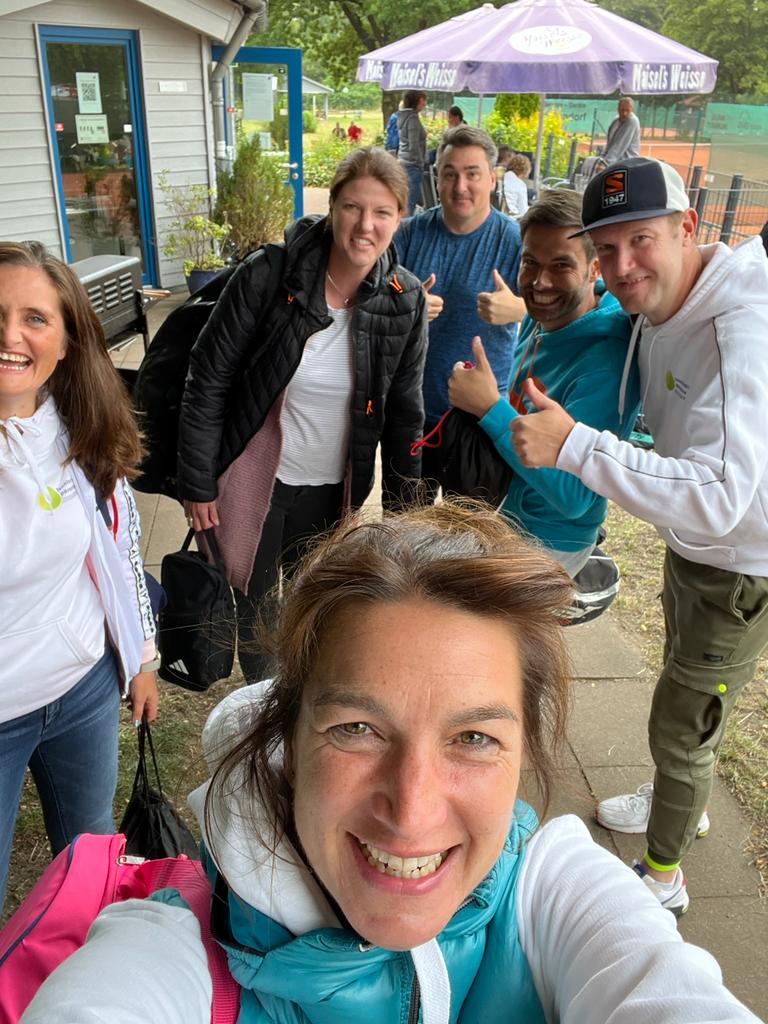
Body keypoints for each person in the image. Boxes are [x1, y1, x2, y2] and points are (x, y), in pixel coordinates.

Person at [20, 502, 761, 1024]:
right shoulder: (169, 949)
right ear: (287, 736)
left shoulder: (556, 898)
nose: (412, 808)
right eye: (358, 729)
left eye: (474, 738)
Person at [511, 156, 768, 916]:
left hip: (740, 561)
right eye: (607, 248)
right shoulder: (663, 301)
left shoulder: (736, 327)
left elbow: (723, 496)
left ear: (688, 227)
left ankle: (663, 880)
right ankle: (682, 799)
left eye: (642, 241)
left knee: (681, 722)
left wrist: (575, 445)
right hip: (695, 547)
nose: (623, 267)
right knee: (684, 693)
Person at [177, 146, 427, 685]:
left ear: (400, 218)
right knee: (258, 609)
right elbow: (208, 376)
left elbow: (405, 416)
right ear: (331, 207)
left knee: (315, 603)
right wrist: (197, 482)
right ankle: (267, 703)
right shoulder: (270, 273)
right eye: (353, 207)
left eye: (382, 212)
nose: (365, 225)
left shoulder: (403, 300)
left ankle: (301, 699)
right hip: (255, 479)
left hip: (332, 489)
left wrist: (406, 520)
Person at [0, 241, 159, 910]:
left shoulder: (79, 428)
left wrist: (141, 658)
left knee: (90, 857)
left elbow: (120, 551)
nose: (11, 336)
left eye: (34, 318)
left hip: (82, 688)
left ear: (66, 342)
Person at [448, 189, 639, 576]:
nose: (539, 282)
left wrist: (490, 408)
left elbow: (575, 498)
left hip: (549, 542)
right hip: (508, 515)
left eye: (561, 265)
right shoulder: (544, 319)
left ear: (595, 269)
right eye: (530, 263)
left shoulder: (605, 363)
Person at [394, 125, 525, 494]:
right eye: (449, 174)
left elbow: (555, 311)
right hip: (412, 414)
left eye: (472, 174)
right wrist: (405, 304)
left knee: (470, 527)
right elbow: (374, 294)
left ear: (493, 179)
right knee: (404, 523)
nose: (460, 186)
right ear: (436, 178)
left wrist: (520, 309)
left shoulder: (515, 240)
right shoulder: (409, 233)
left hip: (480, 420)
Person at [396, 89, 427, 215]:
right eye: (424, 100)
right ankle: (406, 225)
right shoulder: (413, 118)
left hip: (403, 161)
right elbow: (413, 145)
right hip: (413, 165)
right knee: (410, 203)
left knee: (404, 201)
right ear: (418, 101)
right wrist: (420, 163)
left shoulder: (403, 116)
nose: (425, 103)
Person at [597, 97, 641, 168]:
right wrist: (601, 158)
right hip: (616, 162)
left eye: (627, 110)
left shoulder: (632, 121)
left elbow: (618, 146)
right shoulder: (615, 121)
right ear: (618, 109)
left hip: (628, 165)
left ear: (632, 110)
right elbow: (610, 144)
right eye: (622, 110)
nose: (624, 113)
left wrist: (605, 163)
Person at [499, 152, 531, 218]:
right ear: (525, 170)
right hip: (510, 218)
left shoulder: (501, 177)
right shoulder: (520, 185)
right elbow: (523, 211)